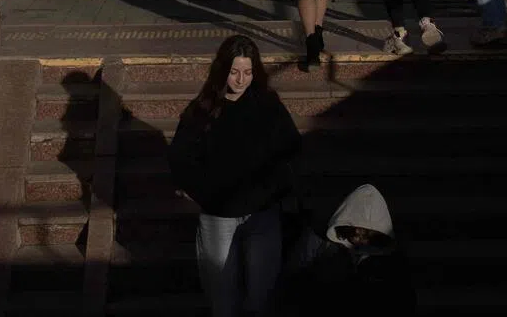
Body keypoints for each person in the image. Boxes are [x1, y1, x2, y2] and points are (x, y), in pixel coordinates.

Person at [168, 35, 301, 317]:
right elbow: (180, 157)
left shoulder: (267, 105)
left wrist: (275, 187)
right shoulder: (203, 109)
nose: (241, 79)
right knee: (223, 298)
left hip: (262, 214)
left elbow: (291, 147)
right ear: (222, 70)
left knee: (261, 297)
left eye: (248, 72)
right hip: (218, 217)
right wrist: (203, 193)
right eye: (234, 71)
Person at [280, 184, 416, 317]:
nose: (357, 239)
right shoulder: (319, 241)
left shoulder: (392, 261)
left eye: (365, 234)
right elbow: (291, 279)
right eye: (354, 230)